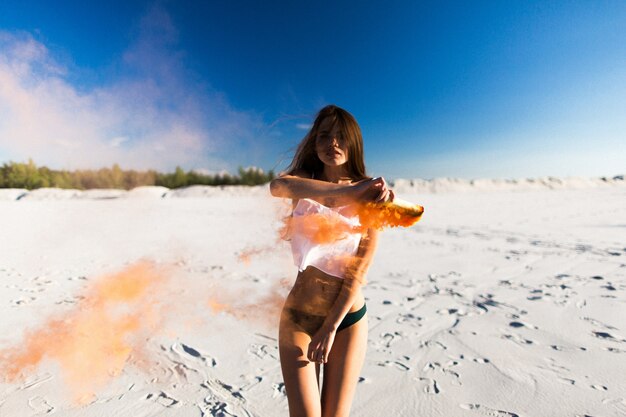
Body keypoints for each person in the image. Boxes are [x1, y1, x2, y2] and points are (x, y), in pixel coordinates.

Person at [270, 105, 393, 417]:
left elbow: (359, 271)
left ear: (353, 143)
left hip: (346, 319)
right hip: (299, 316)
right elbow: (278, 187)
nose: (332, 143)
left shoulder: (372, 196)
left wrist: (330, 326)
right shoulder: (303, 182)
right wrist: (354, 190)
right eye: (324, 136)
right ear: (314, 143)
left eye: (341, 137)